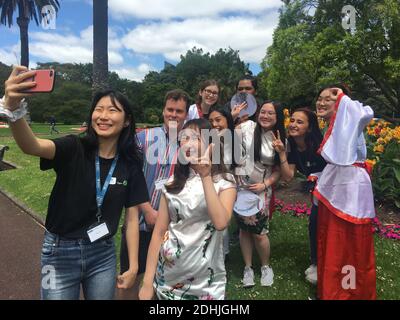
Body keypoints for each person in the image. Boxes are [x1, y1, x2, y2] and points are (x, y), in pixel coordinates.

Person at [1, 66, 149, 300]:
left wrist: (132, 266)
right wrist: (12, 109)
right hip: (58, 253)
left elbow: (132, 219)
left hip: (103, 254)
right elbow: (32, 146)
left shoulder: (130, 164)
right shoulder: (74, 147)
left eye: (112, 110)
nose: (103, 116)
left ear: (127, 120)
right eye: (98, 109)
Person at [139, 118, 237, 300]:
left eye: (196, 138)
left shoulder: (225, 182)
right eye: (184, 138)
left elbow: (221, 222)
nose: (188, 143)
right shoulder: (172, 184)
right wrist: (147, 281)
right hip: (167, 276)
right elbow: (159, 234)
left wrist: (206, 175)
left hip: (206, 282)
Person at [118, 89, 190, 299]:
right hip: (139, 220)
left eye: (179, 111)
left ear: (186, 114)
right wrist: (148, 210)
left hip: (172, 226)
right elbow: (130, 176)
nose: (173, 115)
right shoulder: (143, 138)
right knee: (131, 275)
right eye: (170, 109)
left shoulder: (190, 143)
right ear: (163, 111)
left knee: (165, 279)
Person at [314, 85, 376, 300]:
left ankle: (346, 292)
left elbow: (365, 112)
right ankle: (333, 289)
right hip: (336, 187)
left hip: (351, 190)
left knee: (347, 243)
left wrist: (341, 96)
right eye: (319, 98)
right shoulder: (338, 124)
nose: (321, 103)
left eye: (328, 99)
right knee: (331, 239)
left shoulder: (352, 119)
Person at [271, 107, 327, 285]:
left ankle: (327, 264)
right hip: (318, 193)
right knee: (314, 225)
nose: (293, 124)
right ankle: (316, 262)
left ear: (310, 128)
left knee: (323, 225)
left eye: (299, 122)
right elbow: (288, 176)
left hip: (333, 192)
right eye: (292, 120)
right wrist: (282, 153)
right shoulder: (293, 145)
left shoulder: (321, 145)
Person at [234, 101, 284, 288]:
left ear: (277, 117)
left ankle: (265, 266)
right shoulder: (247, 127)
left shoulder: (278, 138)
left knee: (260, 233)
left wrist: (266, 183)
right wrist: (233, 118)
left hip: (261, 190)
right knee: (244, 230)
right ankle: (248, 268)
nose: (265, 116)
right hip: (240, 189)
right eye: (263, 112)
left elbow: (278, 170)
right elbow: (227, 134)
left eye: (271, 113)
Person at [208, 104, 239, 260]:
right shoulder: (207, 142)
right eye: (211, 121)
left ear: (228, 121)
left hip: (227, 187)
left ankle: (222, 255)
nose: (215, 124)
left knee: (223, 222)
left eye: (219, 120)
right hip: (209, 184)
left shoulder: (236, 141)